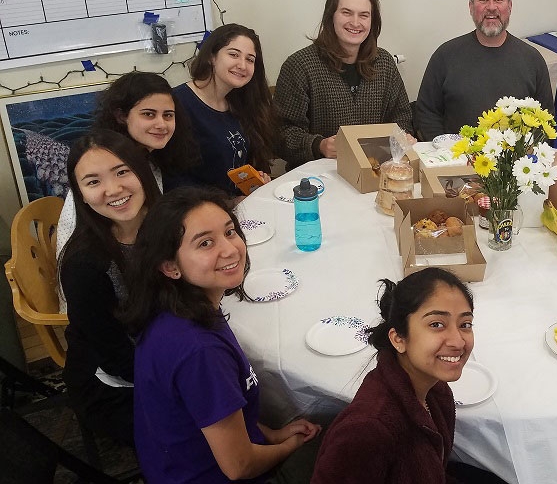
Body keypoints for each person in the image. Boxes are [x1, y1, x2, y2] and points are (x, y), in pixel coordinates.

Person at [124, 187, 321, 483]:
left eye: (230, 232)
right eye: (205, 243)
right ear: (170, 266)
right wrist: (291, 446)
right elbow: (239, 466)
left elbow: (221, 409)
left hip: (174, 463)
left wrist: (272, 434)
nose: (230, 249)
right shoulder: (199, 351)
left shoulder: (177, 309)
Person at [312, 268, 476, 483]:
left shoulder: (434, 388)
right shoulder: (368, 431)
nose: (458, 341)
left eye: (465, 324)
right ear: (398, 338)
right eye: (436, 324)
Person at [58, 130, 162, 447]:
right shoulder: (84, 264)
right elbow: (118, 358)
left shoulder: (169, 225)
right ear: (81, 194)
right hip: (115, 382)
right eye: (93, 182)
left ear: (142, 172)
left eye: (122, 172)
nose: (113, 190)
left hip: (168, 344)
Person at [55, 71, 197, 259]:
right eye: (149, 114)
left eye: (168, 115)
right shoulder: (103, 161)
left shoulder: (149, 159)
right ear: (121, 116)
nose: (161, 124)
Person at [275, 0, 413, 169]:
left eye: (364, 15)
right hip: (318, 176)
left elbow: (402, 117)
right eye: (346, 13)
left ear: (373, 21)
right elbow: (280, 134)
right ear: (330, 16)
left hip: (375, 170)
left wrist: (402, 137)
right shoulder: (299, 65)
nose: (355, 22)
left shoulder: (384, 63)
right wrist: (318, 145)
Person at [414, 0, 554, 141]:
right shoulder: (445, 56)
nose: (492, 7)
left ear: (509, 7)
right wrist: (446, 153)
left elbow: (545, 121)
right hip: (456, 161)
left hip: (515, 164)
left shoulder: (533, 60)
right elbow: (427, 113)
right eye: (483, 0)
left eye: (498, 0)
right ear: (471, 7)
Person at [171, 23, 275, 196]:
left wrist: (258, 178)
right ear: (212, 57)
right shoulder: (179, 103)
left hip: (240, 205)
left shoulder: (240, 103)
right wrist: (227, 203)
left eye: (250, 59)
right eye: (234, 54)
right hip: (199, 211)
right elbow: (174, 179)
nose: (242, 65)